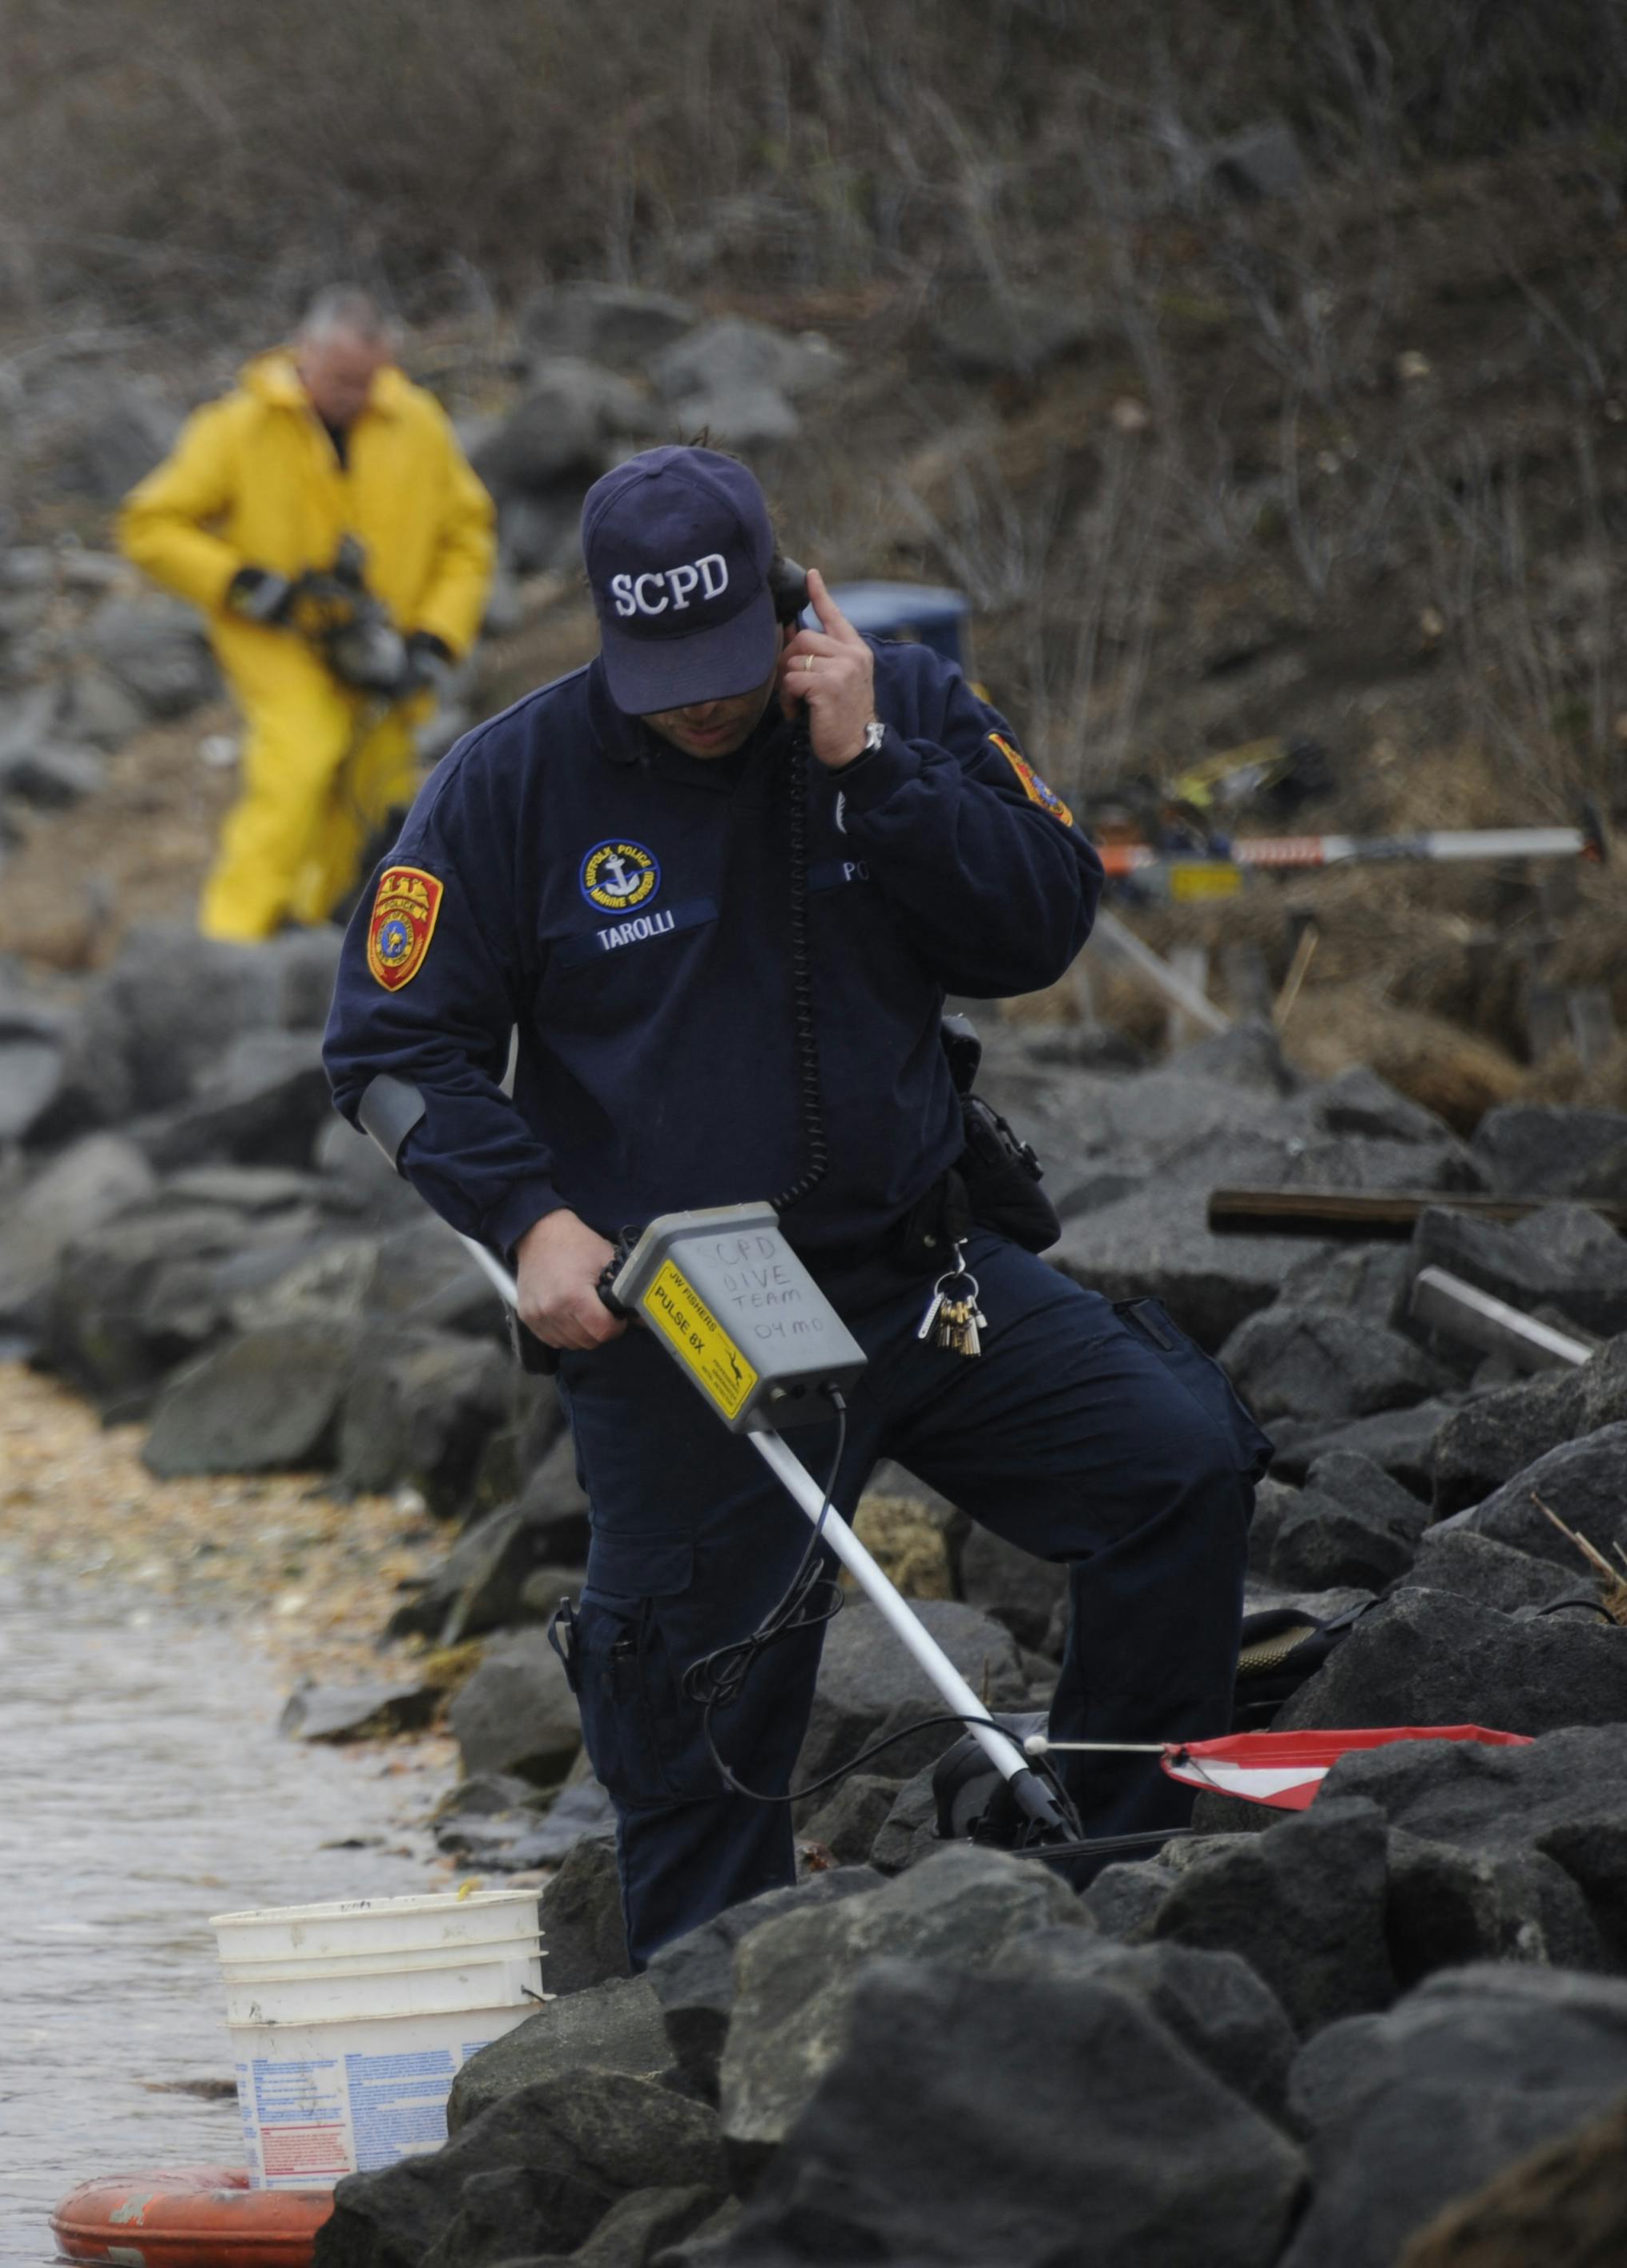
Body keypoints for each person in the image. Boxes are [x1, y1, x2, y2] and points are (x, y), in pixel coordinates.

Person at [321, 445, 1267, 1966]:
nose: (700, 702)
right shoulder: (510, 783)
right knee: (691, 1702)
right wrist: (525, 1224)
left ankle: (1113, 1882)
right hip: (679, 1322)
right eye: (663, 671)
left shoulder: (902, 710)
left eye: (727, 662)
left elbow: (1040, 921)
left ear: (790, 604)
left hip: (920, 1273)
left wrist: (873, 767)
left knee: (1176, 1464)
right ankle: (707, 2030)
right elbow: (385, 1050)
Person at [119, 288, 495, 942]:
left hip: (387, 646)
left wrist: (436, 638)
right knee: (301, 757)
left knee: (377, 784)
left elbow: (467, 537)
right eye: (343, 379)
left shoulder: (417, 421)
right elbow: (150, 525)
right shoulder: (239, 425)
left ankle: (325, 934)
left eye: (369, 379)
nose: (357, 393)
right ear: (306, 355)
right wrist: (242, 585)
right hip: (277, 637)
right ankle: (230, 938)